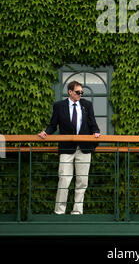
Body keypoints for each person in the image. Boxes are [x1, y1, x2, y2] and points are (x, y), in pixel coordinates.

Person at [38, 80, 101, 215]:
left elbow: (92, 123)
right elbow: (53, 124)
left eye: (81, 92)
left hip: (84, 148)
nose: (80, 94)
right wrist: (46, 132)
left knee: (82, 181)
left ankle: (77, 211)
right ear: (70, 92)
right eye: (78, 92)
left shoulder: (87, 105)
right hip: (66, 147)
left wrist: (96, 132)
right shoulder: (59, 106)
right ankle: (59, 212)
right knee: (64, 179)